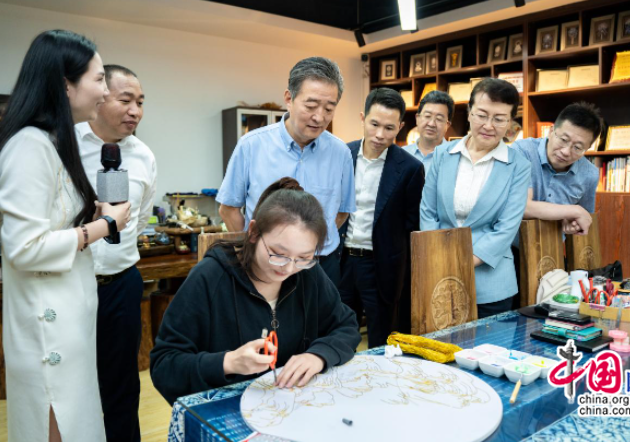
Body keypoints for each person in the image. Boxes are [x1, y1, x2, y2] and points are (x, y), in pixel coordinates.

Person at [0, 30, 131, 442]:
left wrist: (92, 217)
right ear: (65, 85)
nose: (105, 91)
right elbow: (24, 247)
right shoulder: (29, 145)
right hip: (48, 330)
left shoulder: (53, 142)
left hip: (70, 320)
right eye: (99, 79)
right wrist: (105, 226)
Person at [151, 178, 360, 405]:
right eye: (278, 254)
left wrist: (318, 355)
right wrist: (228, 362)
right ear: (253, 232)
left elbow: (346, 325)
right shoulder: (210, 277)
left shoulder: (307, 274)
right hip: (227, 409)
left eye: (304, 257)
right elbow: (164, 365)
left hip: (291, 405)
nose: (289, 268)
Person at [217, 57, 355, 286]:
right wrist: (254, 249)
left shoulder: (341, 153)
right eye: (311, 106)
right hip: (265, 265)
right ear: (289, 99)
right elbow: (228, 209)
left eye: (329, 109)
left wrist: (307, 248)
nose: (319, 117)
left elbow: (341, 213)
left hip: (321, 266)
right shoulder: (251, 146)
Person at [77, 64, 156, 442]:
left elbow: (137, 222)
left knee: (122, 385)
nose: (135, 111)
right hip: (71, 284)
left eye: (140, 102)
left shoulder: (143, 155)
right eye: (126, 100)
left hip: (122, 285)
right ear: (99, 97)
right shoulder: (64, 145)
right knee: (72, 385)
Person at [420, 78, 530, 318]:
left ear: (510, 122)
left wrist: (462, 262)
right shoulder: (442, 154)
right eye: (482, 115)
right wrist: (438, 256)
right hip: (439, 273)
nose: (488, 125)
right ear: (469, 112)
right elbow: (428, 210)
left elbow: (506, 228)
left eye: (499, 119)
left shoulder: (518, 166)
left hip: (492, 282)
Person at [339, 88, 425, 348]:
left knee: (381, 339)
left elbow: (411, 224)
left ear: (400, 127)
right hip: (341, 260)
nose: (379, 134)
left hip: (381, 265)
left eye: (389, 128)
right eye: (374, 124)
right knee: (338, 333)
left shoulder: (410, 168)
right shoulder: (342, 155)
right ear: (363, 118)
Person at [511, 102, 601, 236]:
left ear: (587, 149)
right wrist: (573, 211)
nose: (566, 152)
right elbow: (520, 207)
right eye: (563, 140)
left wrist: (573, 224)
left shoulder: (589, 174)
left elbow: (585, 218)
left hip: (553, 246)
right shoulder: (522, 151)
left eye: (577, 147)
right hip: (508, 245)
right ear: (551, 131)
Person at [403, 90, 454, 172]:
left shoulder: (455, 158)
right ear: (417, 119)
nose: (431, 124)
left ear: (447, 125)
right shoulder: (401, 154)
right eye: (427, 116)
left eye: (439, 119)